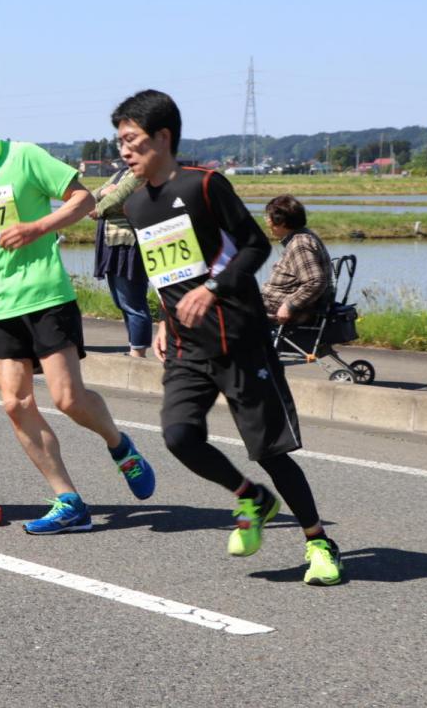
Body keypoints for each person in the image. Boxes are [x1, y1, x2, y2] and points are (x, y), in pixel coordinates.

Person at [115, 89, 343, 586]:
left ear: (163, 137)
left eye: (131, 140)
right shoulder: (136, 205)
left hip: (239, 337)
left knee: (270, 451)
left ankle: (319, 542)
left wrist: (214, 289)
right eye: (120, 142)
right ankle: (251, 497)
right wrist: (160, 317)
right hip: (183, 343)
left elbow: (256, 245)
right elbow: (165, 272)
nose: (124, 151)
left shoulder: (205, 185)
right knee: (179, 437)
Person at [0, 90, 155, 535]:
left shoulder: (25, 157)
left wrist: (37, 227)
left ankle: (120, 445)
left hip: (46, 297)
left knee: (69, 399)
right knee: (15, 404)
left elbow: (83, 199)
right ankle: (68, 500)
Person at [89, 168, 153, 357]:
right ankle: (134, 346)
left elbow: (120, 197)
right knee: (121, 301)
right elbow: (93, 194)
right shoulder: (121, 173)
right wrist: (101, 193)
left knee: (132, 301)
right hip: (112, 242)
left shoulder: (140, 173)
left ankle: (138, 353)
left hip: (128, 244)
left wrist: (97, 209)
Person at [260, 195, 333, 325]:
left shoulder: (299, 243)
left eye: (268, 217)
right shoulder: (304, 236)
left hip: (284, 308)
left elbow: (315, 281)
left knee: (227, 307)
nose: (266, 221)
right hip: (277, 303)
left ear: (281, 221)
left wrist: (289, 306)